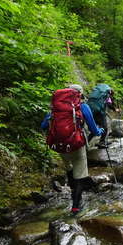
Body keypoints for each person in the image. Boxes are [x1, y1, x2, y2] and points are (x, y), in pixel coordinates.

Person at [41, 84, 104, 215]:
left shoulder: (56, 108)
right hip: (76, 145)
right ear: (79, 95)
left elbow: (43, 125)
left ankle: (72, 190)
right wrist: (100, 131)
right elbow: (93, 129)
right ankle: (75, 205)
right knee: (80, 175)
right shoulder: (83, 106)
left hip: (60, 146)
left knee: (69, 169)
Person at [87, 84, 119, 148]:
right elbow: (109, 104)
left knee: (94, 128)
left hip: (92, 111)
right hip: (100, 113)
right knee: (105, 127)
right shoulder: (106, 95)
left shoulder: (98, 94)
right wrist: (115, 109)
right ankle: (101, 143)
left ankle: (86, 142)